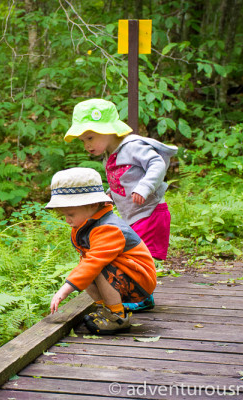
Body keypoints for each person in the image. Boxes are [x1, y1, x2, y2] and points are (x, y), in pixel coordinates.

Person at [63, 99, 177, 312]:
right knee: (129, 253)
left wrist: (144, 187)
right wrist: (110, 195)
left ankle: (144, 297)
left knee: (140, 255)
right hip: (133, 214)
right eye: (82, 140)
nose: (87, 145)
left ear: (108, 131)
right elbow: (123, 180)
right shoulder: (112, 153)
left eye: (90, 137)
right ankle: (130, 292)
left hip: (150, 211)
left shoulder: (132, 146)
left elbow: (156, 163)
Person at [46, 167, 156, 335]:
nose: (67, 220)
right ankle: (105, 308)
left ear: (92, 204)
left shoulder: (108, 228)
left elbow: (94, 262)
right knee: (86, 268)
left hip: (140, 279)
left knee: (94, 268)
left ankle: (117, 316)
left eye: (71, 214)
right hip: (125, 275)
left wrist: (64, 290)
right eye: (64, 216)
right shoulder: (88, 223)